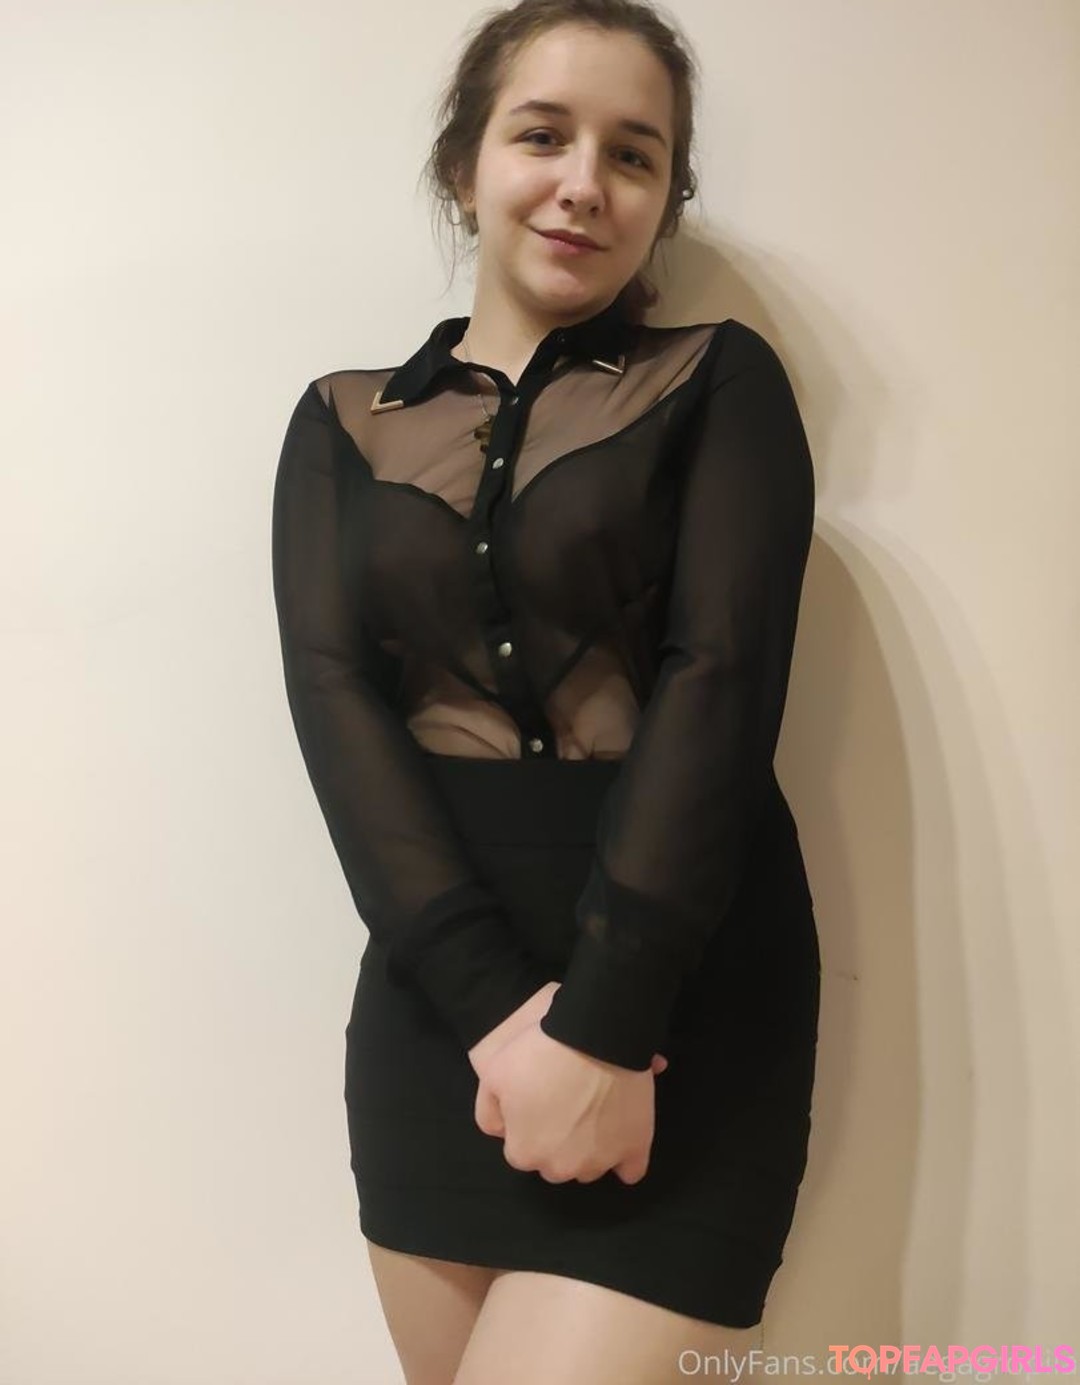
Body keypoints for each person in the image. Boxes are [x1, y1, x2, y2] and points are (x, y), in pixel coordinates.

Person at [271, 0, 821, 1379]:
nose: (585, 182)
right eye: (543, 135)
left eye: (633, 154)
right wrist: (491, 1012)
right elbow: (336, 704)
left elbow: (723, 683)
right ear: (465, 166)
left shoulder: (719, 381)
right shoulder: (341, 421)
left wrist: (602, 1029)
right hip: (433, 1004)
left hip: (680, 996)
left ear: (665, 200)